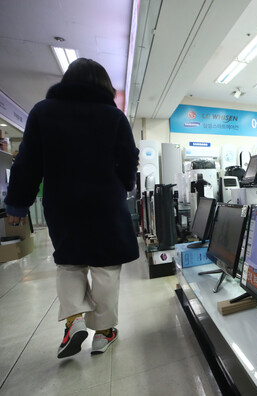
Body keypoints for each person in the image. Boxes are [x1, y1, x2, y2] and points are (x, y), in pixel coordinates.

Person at [4, 58, 140, 358]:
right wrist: (125, 184)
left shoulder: (42, 112)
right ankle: (104, 334)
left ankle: (74, 318)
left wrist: (17, 203)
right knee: (105, 267)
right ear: (104, 86)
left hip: (63, 204)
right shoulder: (113, 117)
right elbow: (128, 159)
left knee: (70, 263)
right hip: (105, 204)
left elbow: (27, 162)